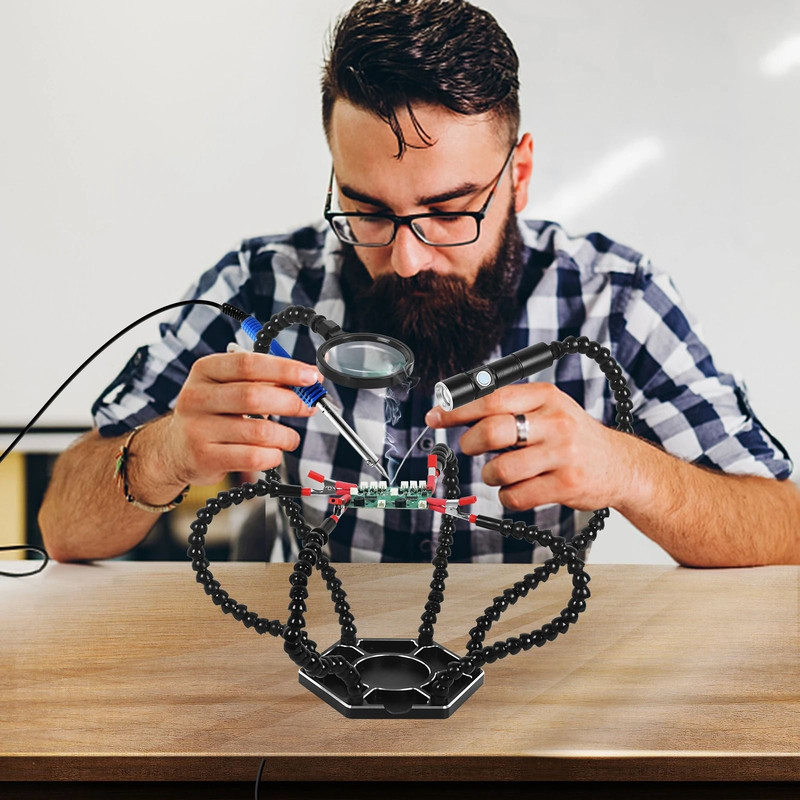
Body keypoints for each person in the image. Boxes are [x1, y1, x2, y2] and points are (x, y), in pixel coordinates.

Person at [39, 0, 798, 567]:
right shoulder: (262, 286)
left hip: (531, 707)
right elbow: (61, 527)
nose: (407, 260)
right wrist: (163, 452)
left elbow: (785, 526)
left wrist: (630, 469)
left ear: (519, 175)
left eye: (449, 211)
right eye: (366, 210)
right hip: (306, 703)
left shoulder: (614, 299)